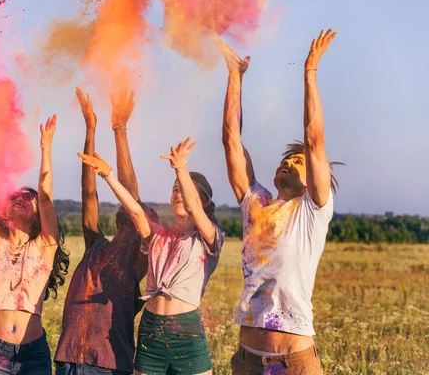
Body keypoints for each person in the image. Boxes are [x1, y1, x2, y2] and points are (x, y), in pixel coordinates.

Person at [217, 30, 341, 374]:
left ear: (312, 181)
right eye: (287, 159)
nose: (288, 162)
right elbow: (231, 141)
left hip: (294, 362)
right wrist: (234, 75)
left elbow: (314, 141)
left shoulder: (312, 210)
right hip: (247, 359)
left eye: (298, 162)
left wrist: (310, 72)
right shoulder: (255, 203)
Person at [79, 137, 224, 375]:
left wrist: (180, 168)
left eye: (183, 191)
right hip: (150, 330)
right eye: (174, 190)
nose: (177, 194)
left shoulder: (209, 237)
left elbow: (195, 210)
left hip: (186, 331)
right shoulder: (159, 237)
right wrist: (108, 176)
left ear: (204, 200)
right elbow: (136, 211)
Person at [55, 88, 158, 375]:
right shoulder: (96, 245)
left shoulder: (137, 258)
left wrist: (119, 130)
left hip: (108, 364)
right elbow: (89, 194)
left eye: (139, 212)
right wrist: (90, 126)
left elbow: (132, 198)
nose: (129, 208)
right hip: (69, 358)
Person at [0, 115, 69, 375]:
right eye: (14, 196)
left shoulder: (44, 246)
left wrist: (46, 147)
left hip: (34, 352)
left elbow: (46, 197)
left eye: (28, 197)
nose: (21, 198)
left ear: (37, 212)